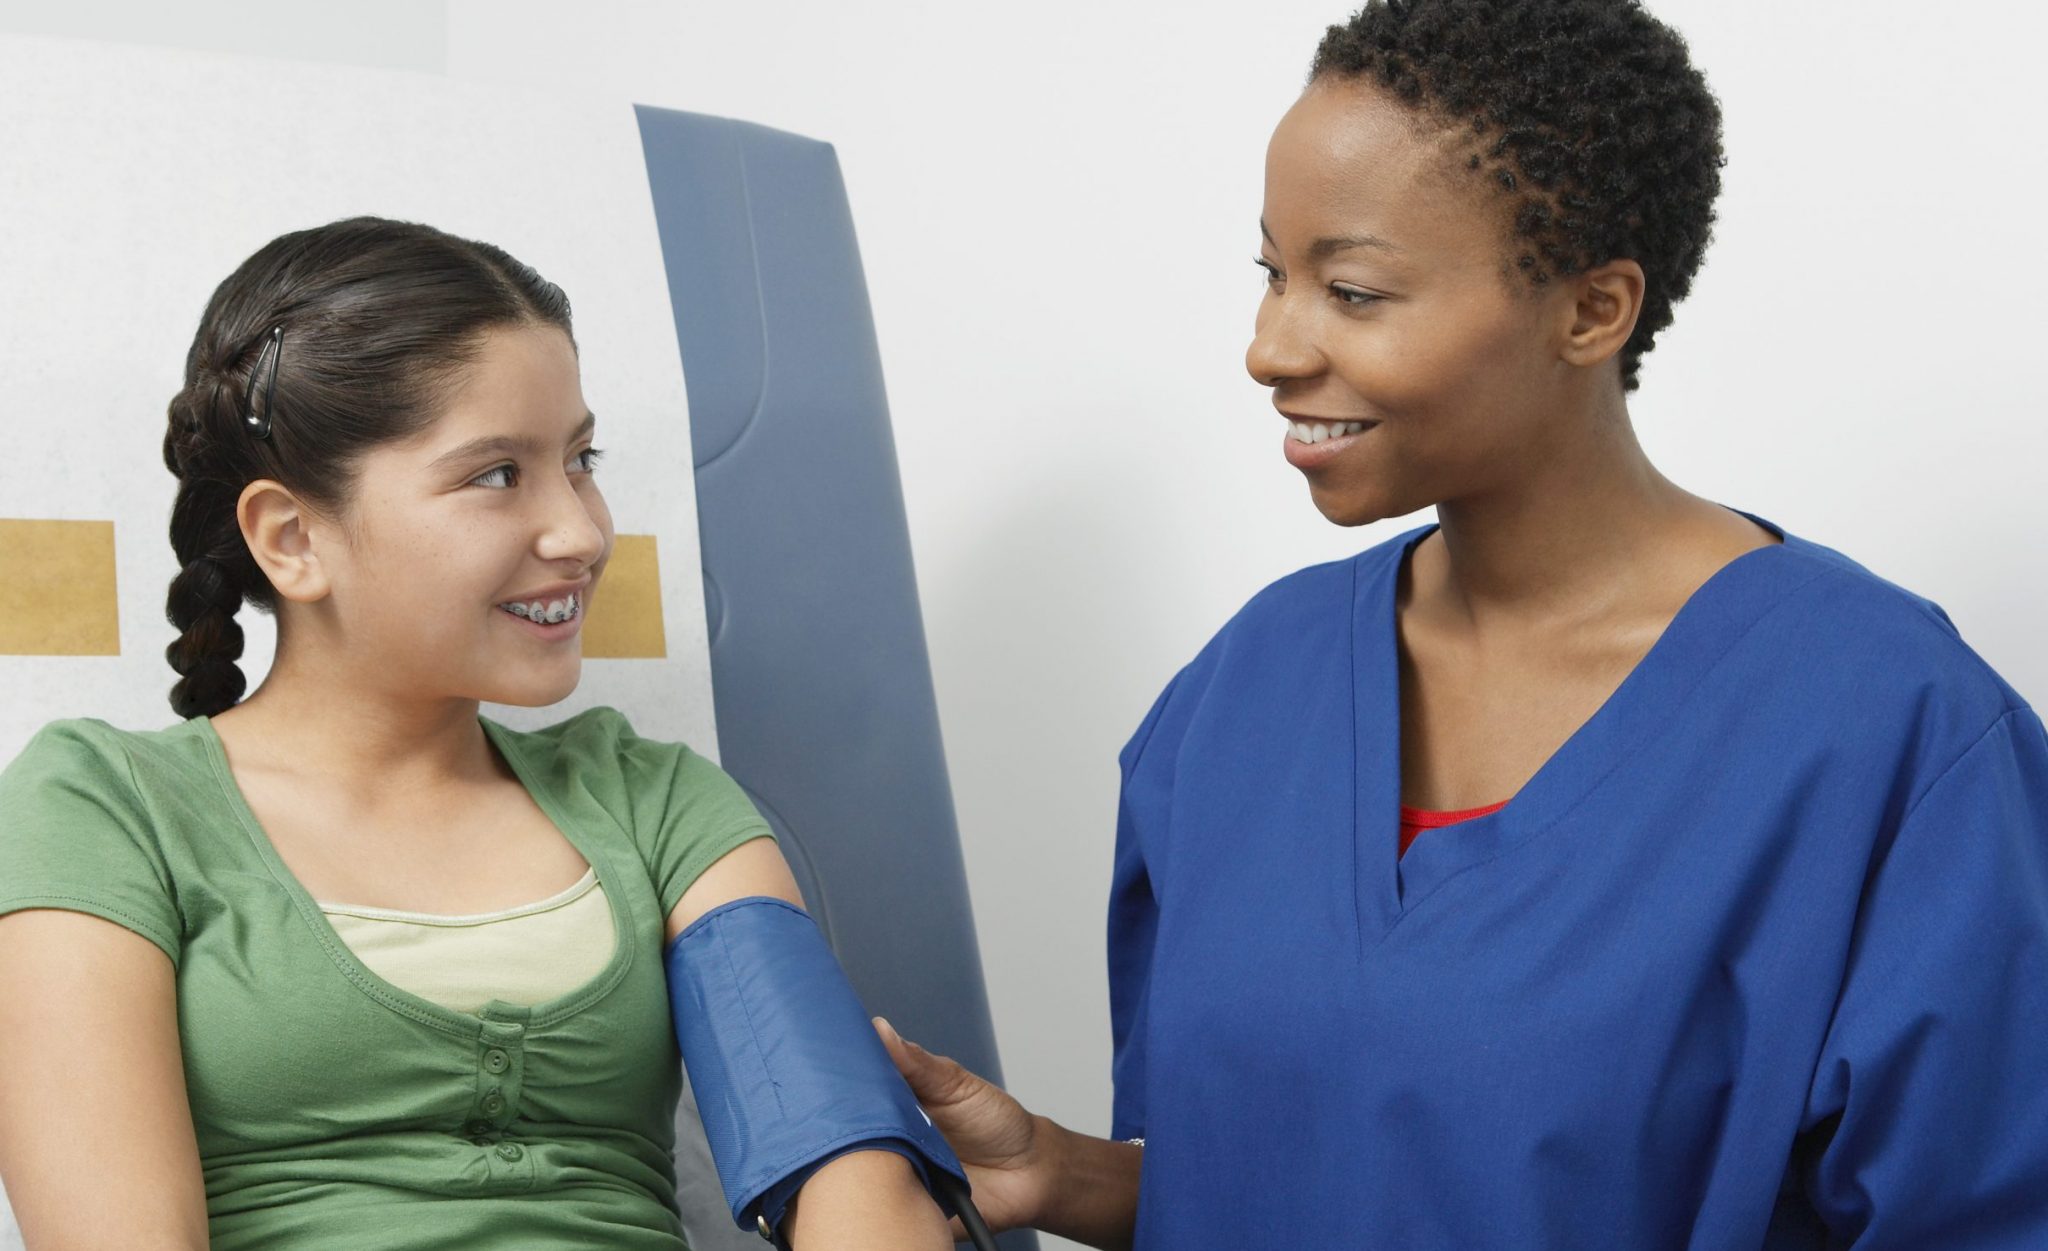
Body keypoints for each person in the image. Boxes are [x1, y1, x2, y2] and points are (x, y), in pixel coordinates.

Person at [875, 1, 2048, 1247]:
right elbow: (1303, 1181)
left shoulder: (1886, 730)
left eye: (1353, 291)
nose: (1268, 348)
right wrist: (1069, 1176)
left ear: (1590, 312)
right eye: (1271, 274)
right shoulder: (1240, 694)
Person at [0, 218, 954, 1250]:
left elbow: (848, 1165)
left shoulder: (655, 801)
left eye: (581, 459)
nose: (582, 532)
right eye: (496, 474)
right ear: (293, 536)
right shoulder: (102, 807)